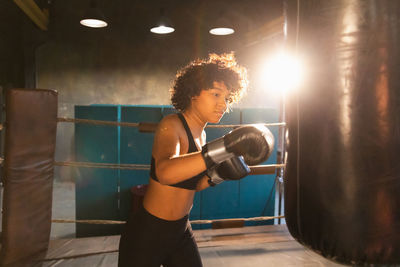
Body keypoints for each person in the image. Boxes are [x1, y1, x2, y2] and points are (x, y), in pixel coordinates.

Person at [118, 52, 274, 267]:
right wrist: (223, 148)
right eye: (216, 94)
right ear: (193, 94)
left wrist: (218, 176)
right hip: (148, 232)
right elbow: (165, 172)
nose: (223, 104)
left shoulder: (202, 136)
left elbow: (191, 185)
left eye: (227, 98)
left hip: (180, 230)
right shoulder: (171, 125)